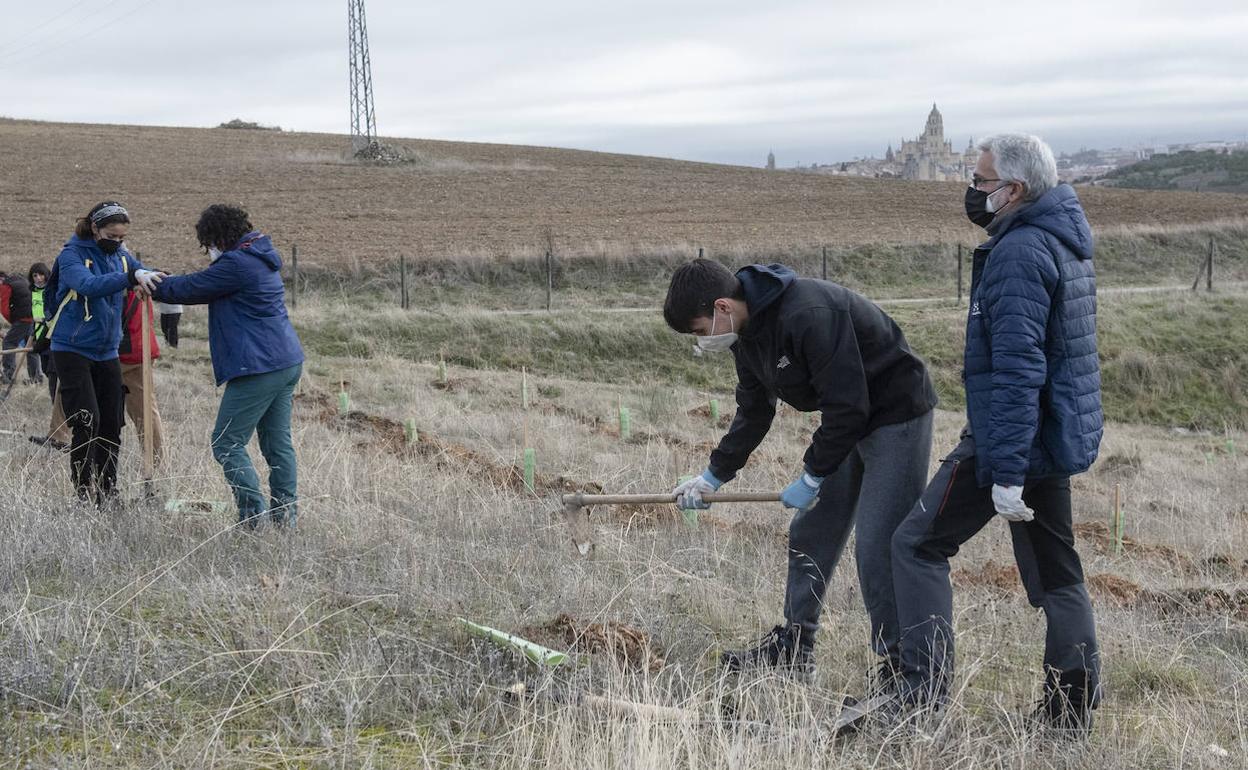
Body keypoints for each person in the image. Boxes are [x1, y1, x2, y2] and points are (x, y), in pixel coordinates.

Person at [881, 134, 1103, 734]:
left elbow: (1017, 367)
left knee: (917, 544)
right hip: (1049, 433)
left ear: (1015, 190)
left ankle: (919, 696)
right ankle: (1069, 715)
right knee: (1058, 568)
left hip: (1013, 440)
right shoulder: (1064, 238)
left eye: (981, 182)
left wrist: (1004, 470)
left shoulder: (1020, 252)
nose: (972, 191)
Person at [663, 259, 937, 680]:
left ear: (722, 306)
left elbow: (849, 406)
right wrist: (713, 475)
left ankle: (902, 667)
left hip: (895, 414)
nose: (701, 343)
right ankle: (795, 647)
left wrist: (813, 475)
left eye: (699, 331)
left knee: (878, 546)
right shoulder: (745, 334)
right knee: (811, 531)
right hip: (847, 419)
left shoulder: (808, 314)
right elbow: (754, 410)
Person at [152, 204, 304, 529]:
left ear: (216, 238)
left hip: (258, 366)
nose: (208, 251)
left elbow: (192, 287)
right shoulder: (260, 257)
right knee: (277, 443)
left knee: (226, 442)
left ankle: (253, 517)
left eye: (207, 244)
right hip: (285, 360)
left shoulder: (237, 264)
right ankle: (285, 518)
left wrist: (154, 283)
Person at [49, 202, 163, 504]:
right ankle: (85, 491)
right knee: (87, 420)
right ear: (95, 228)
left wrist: (148, 276)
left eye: (122, 238)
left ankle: (108, 487)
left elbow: (136, 269)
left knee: (112, 422)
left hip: (107, 350)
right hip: (71, 348)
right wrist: (129, 279)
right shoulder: (72, 255)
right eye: (111, 236)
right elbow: (87, 285)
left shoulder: (120, 256)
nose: (117, 242)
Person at [118, 288, 165, 466]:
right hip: (139, 349)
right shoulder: (139, 282)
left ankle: (156, 463)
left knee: (143, 411)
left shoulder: (123, 286)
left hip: (130, 353)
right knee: (144, 410)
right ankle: (156, 463)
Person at [0, 270, 36, 384]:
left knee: (8, 343)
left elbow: (4, 309)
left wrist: (13, 323)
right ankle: (35, 378)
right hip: (34, 317)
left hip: (22, 319)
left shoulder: (5, 286)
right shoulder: (21, 279)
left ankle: (8, 376)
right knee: (30, 347)